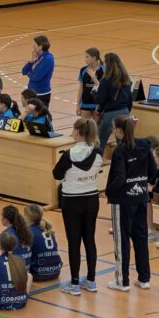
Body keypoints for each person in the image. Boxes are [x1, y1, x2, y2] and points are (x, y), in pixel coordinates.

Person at [105, 115, 156, 292]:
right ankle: (144, 278)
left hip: (123, 201)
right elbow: (153, 170)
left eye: (113, 128)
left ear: (119, 130)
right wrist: (142, 183)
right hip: (141, 198)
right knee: (140, 238)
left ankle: (122, 281)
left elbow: (120, 178)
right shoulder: (144, 144)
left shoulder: (120, 151)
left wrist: (109, 191)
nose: (113, 131)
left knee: (121, 240)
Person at [53, 118, 103, 295]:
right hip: (92, 199)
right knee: (89, 239)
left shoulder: (68, 155)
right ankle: (91, 280)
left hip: (72, 200)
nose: (72, 132)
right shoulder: (98, 152)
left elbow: (56, 174)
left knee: (74, 241)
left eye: (73, 129)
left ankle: (74, 284)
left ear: (78, 132)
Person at [94, 52, 132, 148]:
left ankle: (97, 161)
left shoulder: (106, 80)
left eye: (104, 63)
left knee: (99, 142)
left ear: (108, 64)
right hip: (125, 113)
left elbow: (101, 99)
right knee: (123, 144)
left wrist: (94, 92)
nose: (103, 65)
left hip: (110, 114)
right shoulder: (126, 78)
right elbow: (129, 99)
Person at [23, 204, 63, 282]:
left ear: (28, 217)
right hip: (56, 272)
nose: (23, 218)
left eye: (24, 215)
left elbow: (24, 255)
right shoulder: (47, 227)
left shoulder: (29, 232)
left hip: (38, 274)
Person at [21, 35, 54, 119]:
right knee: (30, 118)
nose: (33, 47)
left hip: (41, 94)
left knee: (41, 118)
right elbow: (24, 71)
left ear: (40, 46)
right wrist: (31, 61)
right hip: (33, 93)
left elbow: (36, 77)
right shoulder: (38, 57)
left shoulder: (48, 58)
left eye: (34, 45)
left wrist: (29, 73)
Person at [76, 47, 104, 119]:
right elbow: (81, 88)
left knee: (97, 129)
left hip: (97, 105)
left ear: (94, 58)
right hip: (85, 104)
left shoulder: (104, 70)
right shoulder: (83, 70)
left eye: (87, 57)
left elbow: (103, 88)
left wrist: (94, 77)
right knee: (85, 128)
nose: (85, 59)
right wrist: (78, 105)